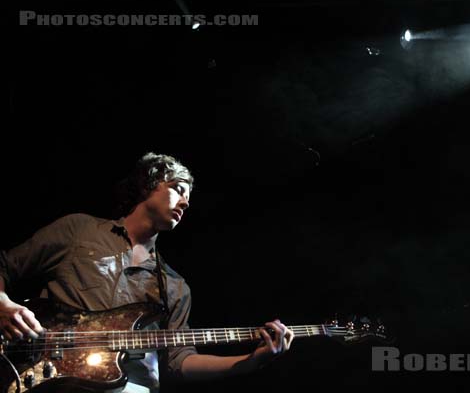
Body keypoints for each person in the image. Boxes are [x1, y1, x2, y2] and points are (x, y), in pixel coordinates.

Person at [0, 152, 294, 393]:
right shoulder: (79, 230)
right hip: (47, 379)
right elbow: (6, 266)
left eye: (188, 198)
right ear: (148, 185)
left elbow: (179, 362)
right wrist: (3, 303)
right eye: (178, 189)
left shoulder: (175, 287)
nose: (186, 202)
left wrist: (252, 360)